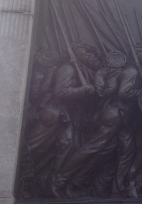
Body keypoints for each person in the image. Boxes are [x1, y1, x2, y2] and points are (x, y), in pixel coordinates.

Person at [50, 45, 142, 198]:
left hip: (126, 117)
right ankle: (59, 181)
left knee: (125, 152)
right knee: (92, 148)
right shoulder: (132, 71)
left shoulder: (133, 71)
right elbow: (124, 92)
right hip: (116, 115)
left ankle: (116, 188)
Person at [25, 40, 100, 195]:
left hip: (64, 115)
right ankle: (22, 180)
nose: (89, 55)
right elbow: (60, 92)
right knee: (33, 146)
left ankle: (49, 182)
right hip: (52, 113)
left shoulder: (79, 69)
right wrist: (83, 90)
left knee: (67, 144)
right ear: (76, 52)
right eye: (86, 52)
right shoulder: (68, 68)